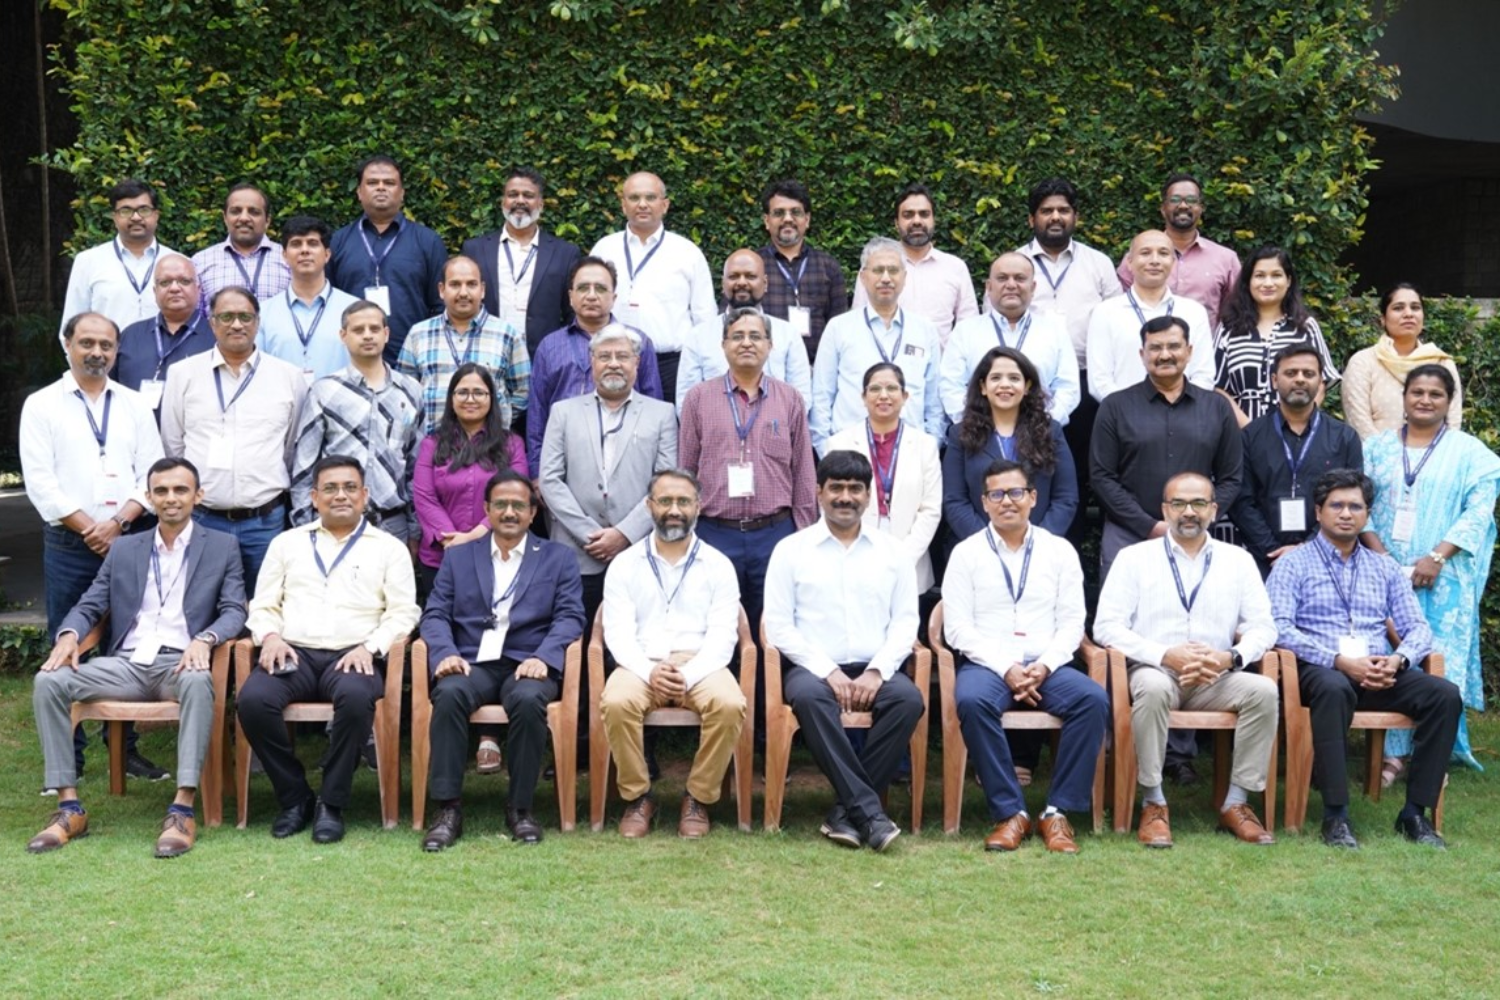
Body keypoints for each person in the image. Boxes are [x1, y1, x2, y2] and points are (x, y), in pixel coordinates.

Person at [27, 458, 246, 857]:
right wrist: (70, 636)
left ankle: (182, 808)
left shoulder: (222, 546)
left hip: (181, 662)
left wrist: (207, 638)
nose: (171, 498)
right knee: (50, 680)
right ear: (148, 498)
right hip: (125, 664)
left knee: (200, 681)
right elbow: (92, 602)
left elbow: (235, 608)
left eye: (181, 490)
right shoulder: (126, 547)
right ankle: (68, 807)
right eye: (161, 491)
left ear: (198, 496)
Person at [1267, 469, 1462, 849]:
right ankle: (1336, 815)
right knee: (1335, 688)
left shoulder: (1384, 567)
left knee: (1445, 695)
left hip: (1379, 672)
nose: (1346, 513)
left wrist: (1399, 661)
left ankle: (1414, 814)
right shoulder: (1294, 564)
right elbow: (1279, 628)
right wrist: (1339, 660)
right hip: (1320, 672)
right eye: (1336, 505)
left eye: (1355, 506)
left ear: (1366, 514)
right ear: (1318, 511)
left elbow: (1418, 629)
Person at [237, 456, 419, 843]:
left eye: (350, 487)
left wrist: (370, 648)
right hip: (293, 652)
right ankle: (295, 797)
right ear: (314, 498)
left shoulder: (389, 548)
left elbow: (404, 612)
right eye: (331, 489)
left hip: (354, 654)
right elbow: (263, 603)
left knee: (355, 701)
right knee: (253, 700)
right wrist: (269, 637)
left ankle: (331, 804)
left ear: (365, 495)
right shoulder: (287, 543)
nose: (341, 495)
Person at [1093, 473, 1280, 848]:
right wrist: (1165, 654)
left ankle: (1237, 803)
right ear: (1165, 510)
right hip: (1155, 670)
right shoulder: (1134, 559)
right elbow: (1106, 627)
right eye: (1178, 504)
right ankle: (1154, 802)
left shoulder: (1238, 560)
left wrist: (1230, 657)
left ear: (1214, 509)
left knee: (1262, 691)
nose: (1188, 512)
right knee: (1153, 685)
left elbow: (1264, 627)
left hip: (1216, 677)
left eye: (1198, 504)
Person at [21, 312, 167, 784]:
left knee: (124, 643)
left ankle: (126, 751)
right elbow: (41, 484)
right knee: (68, 641)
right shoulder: (41, 405)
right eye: (87, 342)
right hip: (70, 542)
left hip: (128, 538)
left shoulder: (132, 404)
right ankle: (69, 762)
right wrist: (93, 530)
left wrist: (119, 523)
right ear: (67, 345)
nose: (97, 352)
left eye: (106, 344)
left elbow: (153, 472)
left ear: (117, 350)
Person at [763, 450, 924, 852]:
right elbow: (778, 624)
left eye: (855, 489)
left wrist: (878, 670)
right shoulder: (791, 550)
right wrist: (827, 670)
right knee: (810, 700)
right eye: (836, 487)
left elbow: (906, 622)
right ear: (819, 492)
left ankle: (845, 812)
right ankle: (870, 814)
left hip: (876, 668)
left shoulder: (894, 552)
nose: (845, 497)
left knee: (908, 700)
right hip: (813, 669)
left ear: (869, 497)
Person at [943, 460, 1108, 853]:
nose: (1007, 502)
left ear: (1033, 498)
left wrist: (1044, 665)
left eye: (1016, 492)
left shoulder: (1059, 551)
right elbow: (958, 628)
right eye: (996, 494)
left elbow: (1072, 622)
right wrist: (1007, 668)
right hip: (989, 665)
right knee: (971, 700)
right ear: (984, 503)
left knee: (1092, 700)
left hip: (1047, 664)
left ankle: (1057, 812)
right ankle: (1010, 812)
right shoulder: (966, 554)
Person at [419, 471, 586, 850]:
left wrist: (544, 657)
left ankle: (521, 807)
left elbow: (571, 616)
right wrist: (444, 654)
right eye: (501, 505)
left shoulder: (558, 558)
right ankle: (447, 809)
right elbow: (434, 614)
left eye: (518, 505)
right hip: (472, 662)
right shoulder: (460, 557)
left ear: (532, 512)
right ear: (486, 510)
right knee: (448, 694)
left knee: (529, 701)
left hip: (529, 662)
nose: (509, 512)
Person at [1361, 364, 1499, 774]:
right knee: (1388, 653)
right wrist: (1381, 558)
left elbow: (1479, 511)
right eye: (1417, 391)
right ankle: (1391, 753)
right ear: (1403, 397)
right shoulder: (1376, 448)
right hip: (1382, 572)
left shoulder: (1471, 452)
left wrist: (1437, 557)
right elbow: (1354, 502)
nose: (1424, 400)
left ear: (1448, 401)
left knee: (1440, 659)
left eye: (1435, 394)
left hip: (1445, 578)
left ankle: (1432, 752)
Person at [599, 469, 744, 838]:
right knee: (616, 702)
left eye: (683, 501)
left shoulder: (719, 565)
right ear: (650, 506)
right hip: (640, 663)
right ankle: (638, 796)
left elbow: (724, 637)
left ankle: (697, 797)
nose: (674, 509)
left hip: (701, 663)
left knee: (729, 704)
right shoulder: (624, 564)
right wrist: (650, 672)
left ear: (698, 506)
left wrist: (689, 674)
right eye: (665, 501)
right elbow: (617, 634)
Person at [159, 286, 309, 593]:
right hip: (203, 519)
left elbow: (292, 447)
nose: (236, 324)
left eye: (245, 316)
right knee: (201, 604)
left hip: (265, 520)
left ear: (257, 322)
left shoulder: (289, 377)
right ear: (212, 322)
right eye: (226, 316)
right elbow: (173, 444)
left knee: (265, 606)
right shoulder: (183, 374)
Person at [678, 306, 818, 634]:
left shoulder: (790, 399)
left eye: (756, 336)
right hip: (714, 532)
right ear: (723, 345)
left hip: (775, 534)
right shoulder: (698, 398)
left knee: (774, 628)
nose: (746, 343)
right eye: (737, 336)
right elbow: (686, 469)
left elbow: (803, 470)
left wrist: (804, 533)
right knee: (715, 625)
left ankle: (767, 687)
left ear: (770, 346)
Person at [539, 324, 677, 630]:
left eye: (622, 356)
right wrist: (591, 535)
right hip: (576, 552)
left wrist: (624, 534)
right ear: (592, 362)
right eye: (605, 356)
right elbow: (549, 479)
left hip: (638, 550)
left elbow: (665, 485)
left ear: (637, 363)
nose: (613, 363)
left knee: (634, 639)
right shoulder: (563, 412)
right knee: (577, 639)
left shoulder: (662, 413)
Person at [1090, 315, 1242, 579]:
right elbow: (1102, 477)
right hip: (1128, 533)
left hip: (1196, 533)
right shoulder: (1115, 407)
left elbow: (1232, 476)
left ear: (1189, 351)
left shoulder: (1216, 408)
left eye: (1173, 346)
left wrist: (1197, 517)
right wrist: (1149, 526)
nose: (1165, 355)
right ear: (1142, 354)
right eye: (1155, 348)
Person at [1017, 177, 1123, 541]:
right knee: (1027, 472)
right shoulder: (1015, 265)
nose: (1056, 217)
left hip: (1086, 384)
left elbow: (1117, 319)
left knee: (1079, 475)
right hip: (1028, 388)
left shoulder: (1098, 263)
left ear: (1075, 216)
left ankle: (1074, 556)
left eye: (1063, 210)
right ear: (1032, 219)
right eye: (1047, 211)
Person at [290, 300, 424, 539]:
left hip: (393, 523)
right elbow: (304, 468)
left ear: (386, 334)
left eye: (374, 329)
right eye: (358, 330)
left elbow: (416, 466)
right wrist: (304, 528)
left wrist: (415, 528)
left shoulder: (410, 391)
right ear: (343, 335)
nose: (367, 336)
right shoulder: (325, 391)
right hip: (335, 523)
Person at [1230, 343, 1363, 576]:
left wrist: (1309, 547)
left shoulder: (1344, 437)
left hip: (1328, 558)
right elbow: (1241, 501)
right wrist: (1272, 550)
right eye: (1291, 373)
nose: (1300, 379)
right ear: (1274, 380)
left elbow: (1351, 500)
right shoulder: (1250, 437)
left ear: (1320, 382)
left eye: (1308, 374)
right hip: (1265, 561)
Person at [525, 257, 664, 477]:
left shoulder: (638, 343)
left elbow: (654, 406)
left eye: (600, 288)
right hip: (563, 461)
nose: (591, 295)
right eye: (583, 288)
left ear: (613, 297)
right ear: (571, 297)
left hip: (627, 462)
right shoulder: (549, 346)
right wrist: (536, 473)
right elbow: (537, 414)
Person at [588, 171, 717, 403]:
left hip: (670, 366)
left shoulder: (688, 253)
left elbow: (704, 318)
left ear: (665, 205)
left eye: (651, 197)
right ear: (623, 205)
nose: (643, 204)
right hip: (613, 361)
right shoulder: (604, 249)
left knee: (669, 434)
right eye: (634, 198)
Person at [812, 237, 943, 454]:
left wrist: (930, 447)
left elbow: (934, 401)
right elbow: (821, 396)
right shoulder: (839, 328)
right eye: (878, 270)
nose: (886, 278)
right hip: (848, 451)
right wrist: (827, 452)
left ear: (904, 276)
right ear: (863, 277)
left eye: (893, 270)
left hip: (911, 451)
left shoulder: (924, 330)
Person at [412, 364, 530, 596]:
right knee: (442, 625)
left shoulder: (512, 444)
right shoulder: (431, 444)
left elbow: (517, 496)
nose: (470, 399)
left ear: (491, 399)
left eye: (479, 392)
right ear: (451, 399)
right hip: (442, 556)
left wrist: (475, 535)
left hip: (498, 552)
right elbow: (424, 497)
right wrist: (452, 540)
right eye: (462, 392)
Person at [825, 363, 942, 592]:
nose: (884, 396)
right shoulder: (839, 444)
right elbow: (830, 506)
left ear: (905, 396)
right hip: (852, 560)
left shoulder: (925, 446)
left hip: (910, 563)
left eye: (892, 388)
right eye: (875, 389)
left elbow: (931, 509)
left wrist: (904, 558)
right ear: (863, 396)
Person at [943, 347, 1077, 544]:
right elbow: (955, 500)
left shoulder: (1050, 431)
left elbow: (1065, 498)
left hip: (1041, 551)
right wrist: (989, 544)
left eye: (1014, 378)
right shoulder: (960, 435)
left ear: (1027, 386)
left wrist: (1036, 543)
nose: (1005, 385)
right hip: (978, 552)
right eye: (995, 378)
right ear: (982, 386)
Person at [327, 154, 447, 362]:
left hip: (412, 360)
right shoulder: (338, 242)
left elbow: (440, 304)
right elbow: (328, 303)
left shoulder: (428, 241)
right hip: (349, 361)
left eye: (389, 183)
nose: (381, 188)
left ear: (401, 193)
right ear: (359, 192)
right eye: (372, 182)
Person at [941, 252, 1080, 426]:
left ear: (1033, 287)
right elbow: (951, 386)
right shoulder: (965, 331)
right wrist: (978, 425)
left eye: (1020, 278)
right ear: (989, 287)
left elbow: (1068, 388)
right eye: (1002, 278)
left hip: (1040, 435)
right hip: (979, 436)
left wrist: (1044, 423)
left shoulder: (1054, 331)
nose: (1011, 285)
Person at [397, 254, 530, 434]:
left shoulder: (507, 335)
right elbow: (404, 391)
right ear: (441, 290)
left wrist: (497, 422)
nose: (463, 293)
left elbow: (522, 393)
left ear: (482, 290)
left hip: (490, 449)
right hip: (432, 449)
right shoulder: (418, 334)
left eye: (471, 284)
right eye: (455, 284)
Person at [461, 167, 583, 359]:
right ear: (503, 202)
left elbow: (573, 313)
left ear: (540, 204)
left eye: (528, 195)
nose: (520, 200)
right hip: (486, 355)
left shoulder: (565, 254)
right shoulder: (475, 250)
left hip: (547, 359)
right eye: (513, 195)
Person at [1212, 246, 1339, 428]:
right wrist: (1250, 429)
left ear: (1288, 281)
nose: (1268, 283)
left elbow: (1322, 381)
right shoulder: (1229, 327)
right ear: (1248, 281)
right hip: (1241, 435)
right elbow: (1218, 387)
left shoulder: (1305, 326)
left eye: (1276, 275)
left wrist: (1295, 423)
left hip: (1296, 434)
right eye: (1260, 275)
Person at [676, 249, 812, 412]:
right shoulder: (698, 336)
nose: (741, 282)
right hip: (717, 433)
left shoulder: (788, 334)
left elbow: (801, 400)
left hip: (775, 432)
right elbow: (686, 403)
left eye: (750, 276)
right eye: (733, 276)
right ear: (723, 283)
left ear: (765, 283)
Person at [1086, 229, 1213, 402]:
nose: (1154, 261)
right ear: (1129, 262)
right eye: (1145, 253)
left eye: (1163, 253)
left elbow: (1203, 375)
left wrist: (1180, 409)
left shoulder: (1193, 312)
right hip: (1125, 418)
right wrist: (1128, 411)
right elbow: (1099, 380)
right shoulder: (1106, 312)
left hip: (1184, 417)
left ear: (1173, 262)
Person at [851, 182, 978, 346]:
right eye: (908, 215)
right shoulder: (874, 267)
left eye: (924, 214)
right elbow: (859, 321)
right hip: (886, 367)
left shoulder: (955, 268)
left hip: (941, 369)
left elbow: (968, 327)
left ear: (934, 220)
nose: (917, 221)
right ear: (896, 222)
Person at [1117, 172, 1241, 331]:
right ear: (1163, 208)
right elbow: (1121, 306)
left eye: (1191, 200)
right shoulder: (1137, 258)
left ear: (1200, 208)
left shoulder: (1225, 259)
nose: (1183, 205)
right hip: (1145, 350)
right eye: (1175, 199)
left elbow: (1236, 310)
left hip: (1203, 351)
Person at [59, 179, 176, 344]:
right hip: (105, 364)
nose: (136, 217)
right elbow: (70, 327)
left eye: (144, 210)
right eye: (126, 211)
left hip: (166, 364)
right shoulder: (88, 261)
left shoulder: (177, 262)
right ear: (114, 217)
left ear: (156, 215)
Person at [1342, 283, 1464, 439]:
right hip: (1376, 458)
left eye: (1415, 307)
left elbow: (1453, 423)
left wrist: (1434, 459)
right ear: (1383, 319)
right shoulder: (1363, 362)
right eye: (1398, 308)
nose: (1408, 314)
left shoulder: (1441, 362)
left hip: (1434, 459)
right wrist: (1388, 457)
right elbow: (1358, 423)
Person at [756, 179, 848, 363]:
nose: (788, 219)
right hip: (765, 371)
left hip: (816, 371)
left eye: (795, 212)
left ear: (807, 220)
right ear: (767, 221)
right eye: (779, 213)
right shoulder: (753, 266)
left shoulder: (828, 267)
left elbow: (841, 329)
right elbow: (732, 321)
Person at [258, 215, 359, 381]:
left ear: (327, 255)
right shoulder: (264, 312)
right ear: (284, 255)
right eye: (296, 244)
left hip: (339, 404)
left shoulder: (353, 309)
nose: (304, 250)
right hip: (282, 404)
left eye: (312, 243)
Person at [112, 254, 215, 406]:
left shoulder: (217, 337)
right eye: (165, 282)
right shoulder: (131, 335)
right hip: (136, 428)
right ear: (155, 291)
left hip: (195, 428)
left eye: (184, 281)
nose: (174, 288)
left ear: (198, 290)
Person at [189, 182, 291, 303]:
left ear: (267, 220)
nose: (244, 218)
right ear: (225, 218)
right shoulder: (201, 262)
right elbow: (195, 315)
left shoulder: (289, 259)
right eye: (236, 211)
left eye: (254, 212)